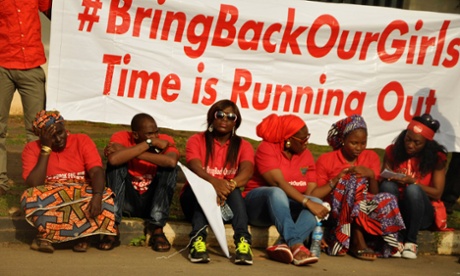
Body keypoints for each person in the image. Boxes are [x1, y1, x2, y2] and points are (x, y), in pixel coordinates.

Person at [20, 110, 117, 253]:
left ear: (65, 128)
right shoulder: (32, 149)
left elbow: (97, 171)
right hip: (52, 195)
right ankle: (69, 237)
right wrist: (46, 148)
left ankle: (63, 237)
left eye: (60, 133)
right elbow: (35, 184)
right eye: (52, 137)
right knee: (30, 196)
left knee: (106, 196)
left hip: (81, 192)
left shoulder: (81, 140)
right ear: (42, 138)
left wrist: (97, 195)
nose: (58, 139)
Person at [312, 115, 405, 260]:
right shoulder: (327, 159)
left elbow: (374, 193)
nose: (359, 148)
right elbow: (316, 194)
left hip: (364, 207)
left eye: (363, 143)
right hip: (337, 208)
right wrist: (338, 179)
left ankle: (389, 244)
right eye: (354, 143)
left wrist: (371, 175)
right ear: (343, 140)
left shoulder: (371, 157)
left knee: (388, 197)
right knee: (352, 180)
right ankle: (357, 238)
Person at [243, 114, 329, 266]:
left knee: (316, 201)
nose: (307, 143)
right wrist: (306, 202)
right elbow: (277, 182)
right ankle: (295, 244)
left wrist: (311, 205)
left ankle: (282, 246)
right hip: (259, 207)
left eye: (307, 137)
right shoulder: (267, 148)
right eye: (303, 139)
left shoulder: (306, 155)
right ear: (289, 139)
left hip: (286, 210)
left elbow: (310, 191)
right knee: (277, 192)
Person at [180, 99, 254, 265]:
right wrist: (214, 183)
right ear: (212, 117)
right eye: (220, 114)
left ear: (236, 121)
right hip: (193, 201)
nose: (225, 119)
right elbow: (194, 167)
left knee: (234, 189)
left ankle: (243, 242)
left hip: (226, 205)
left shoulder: (244, 145)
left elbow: (247, 171)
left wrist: (229, 186)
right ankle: (197, 241)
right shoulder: (196, 140)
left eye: (230, 116)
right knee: (203, 187)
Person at [104, 113, 179, 252]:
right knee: (115, 166)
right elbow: (113, 160)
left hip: (152, 202)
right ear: (136, 135)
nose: (155, 137)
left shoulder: (165, 140)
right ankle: (112, 226)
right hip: (126, 199)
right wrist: (147, 144)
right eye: (150, 134)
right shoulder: (121, 137)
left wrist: (130, 152)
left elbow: (171, 161)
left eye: (157, 132)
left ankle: (157, 229)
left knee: (170, 170)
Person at [0, 0, 52, 196]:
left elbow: (54, 12)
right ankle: (0, 181)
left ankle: (35, 179)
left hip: (32, 64)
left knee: (37, 128)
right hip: (2, 65)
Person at [379, 114, 447, 259]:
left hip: (422, 213)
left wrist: (413, 181)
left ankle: (411, 242)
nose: (410, 145)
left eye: (417, 143)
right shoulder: (392, 151)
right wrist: (392, 177)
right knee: (388, 186)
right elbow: (383, 176)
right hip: (399, 208)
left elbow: (437, 193)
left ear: (427, 144)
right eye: (408, 139)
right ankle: (393, 239)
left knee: (413, 189)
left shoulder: (437, 158)